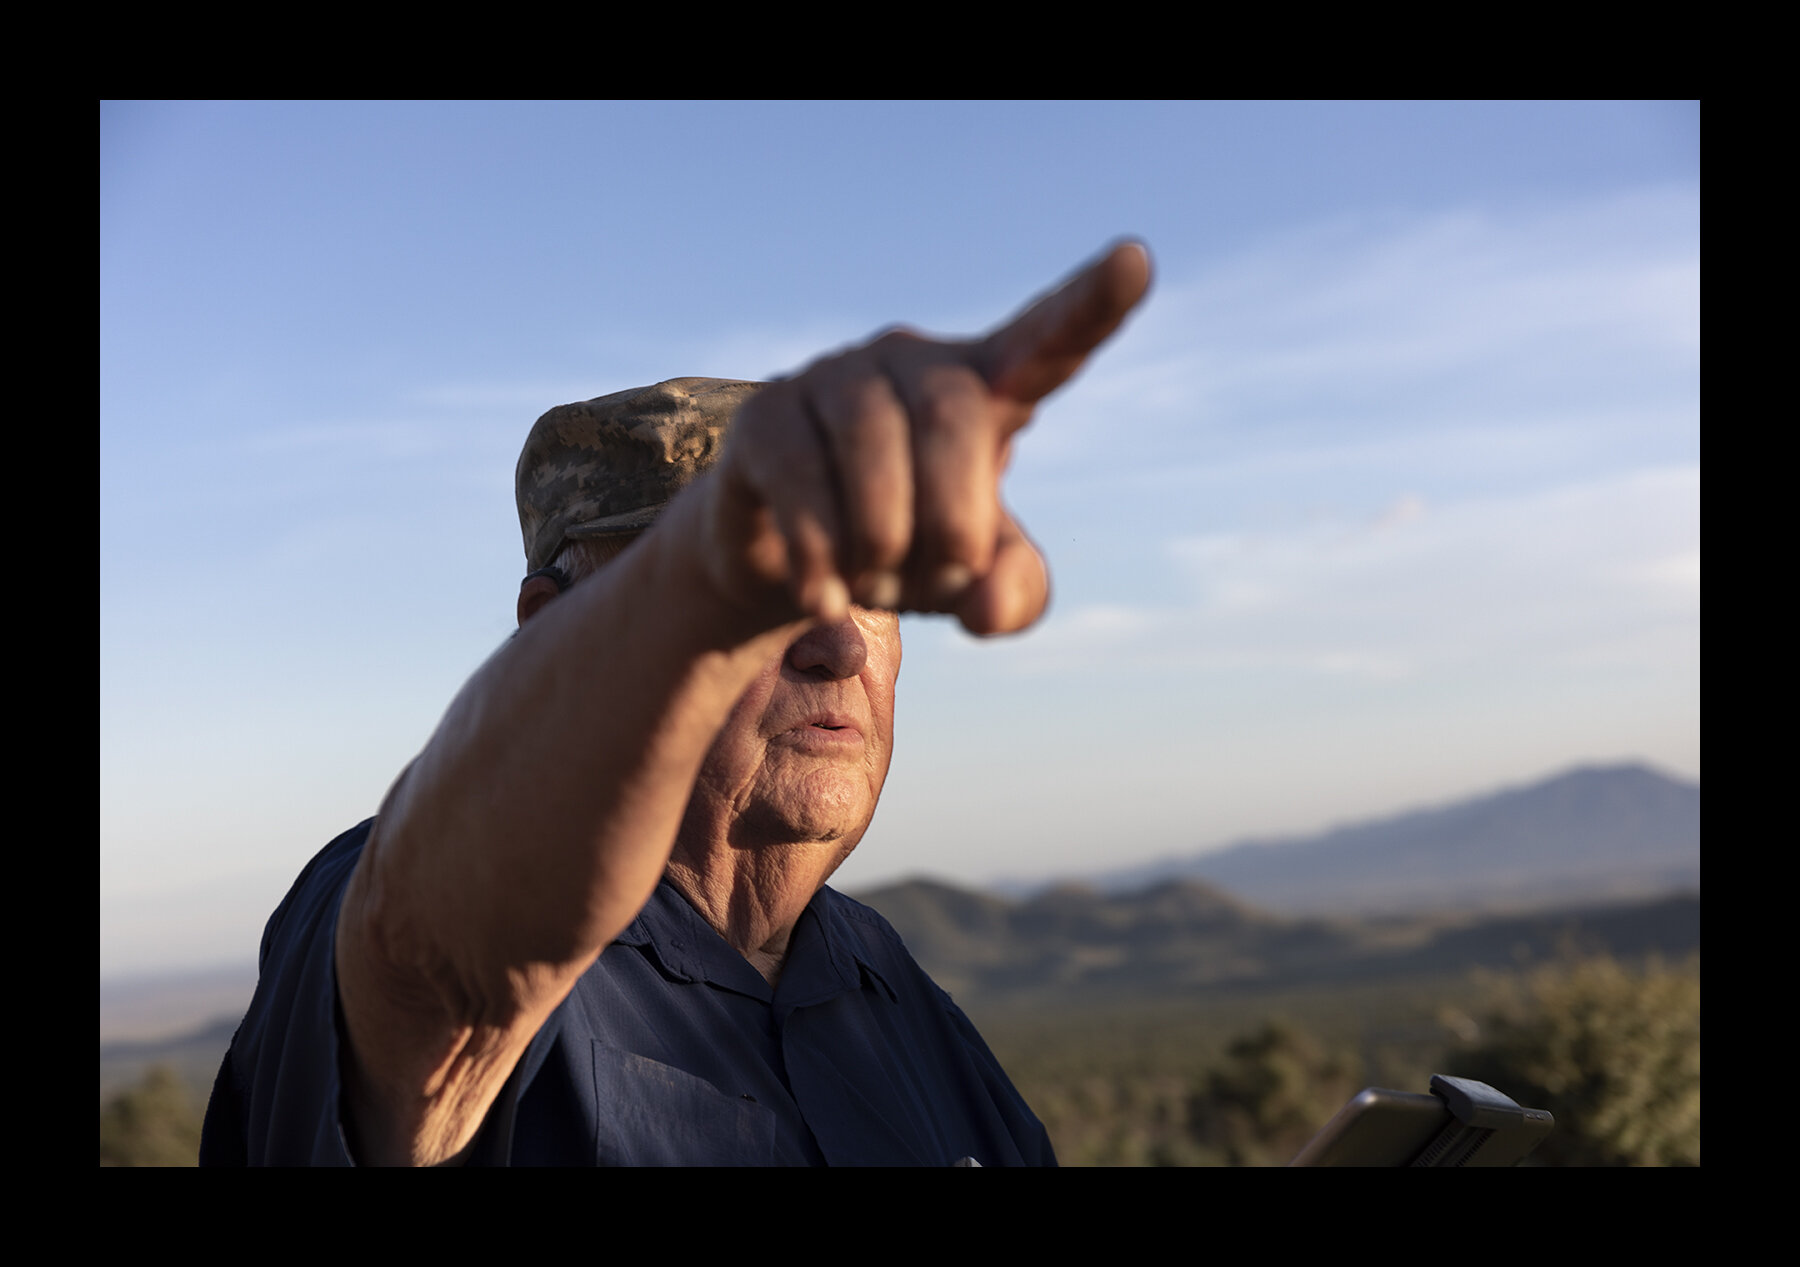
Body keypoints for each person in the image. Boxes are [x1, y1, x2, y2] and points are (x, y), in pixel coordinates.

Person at [200, 241, 1154, 1166]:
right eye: (762, 591)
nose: (840, 643)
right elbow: (418, 958)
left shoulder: (896, 995)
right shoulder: (428, 919)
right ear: (546, 627)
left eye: (872, 590)